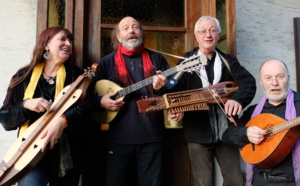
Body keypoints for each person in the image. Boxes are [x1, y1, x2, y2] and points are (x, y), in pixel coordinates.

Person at [0, 27, 96, 186]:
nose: (68, 44)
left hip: (67, 155)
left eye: (70, 41)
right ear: (46, 45)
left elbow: (88, 108)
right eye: (63, 39)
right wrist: (26, 104)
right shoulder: (23, 76)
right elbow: (5, 119)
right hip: (29, 154)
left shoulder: (76, 76)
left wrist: (62, 121)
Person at [168, 15, 256, 186]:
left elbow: (249, 83)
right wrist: (176, 108)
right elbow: (174, 92)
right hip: (197, 132)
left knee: (236, 181)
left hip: (227, 134)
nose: (208, 34)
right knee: (204, 183)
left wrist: (238, 100)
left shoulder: (229, 61)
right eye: (203, 31)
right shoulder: (185, 63)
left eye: (212, 30)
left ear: (218, 35)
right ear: (196, 36)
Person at [93, 16, 169, 186]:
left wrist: (160, 88)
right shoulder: (106, 63)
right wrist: (100, 101)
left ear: (141, 32)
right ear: (118, 37)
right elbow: (90, 97)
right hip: (118, 138)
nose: (131, 31)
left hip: (152, 137)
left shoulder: (158, 59)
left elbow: (170, 93)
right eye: (126, 28)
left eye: (135, 27)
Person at [222, 59, 300, 186]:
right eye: (268, 78)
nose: (274, 83)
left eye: (280, 77)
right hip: (259, 181)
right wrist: (246, 133)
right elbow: (226, 135)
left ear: (288, 78)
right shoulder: (254, 111)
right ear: (261, 82)